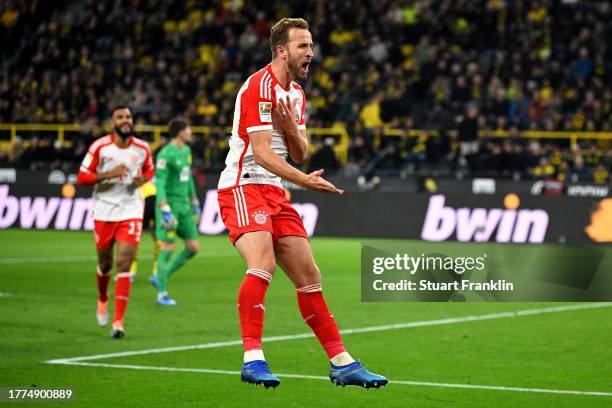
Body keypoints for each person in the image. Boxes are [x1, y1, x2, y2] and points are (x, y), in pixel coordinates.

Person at [217, 18, 387, 389]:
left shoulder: (296, 94)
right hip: (243, 186)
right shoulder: (258, 87)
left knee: (309, 275)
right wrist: (305, 180)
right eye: (303, 46)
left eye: (311, 46)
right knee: (262, 264)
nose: (311, 53)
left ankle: (341, 363)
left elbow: (300, 151)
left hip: (276, 191)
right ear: (281, 50)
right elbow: (260, 154)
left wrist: (291, 128)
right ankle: (253, 359)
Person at [77, 106, 155, 338]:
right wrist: (110, 174)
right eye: (120, 117)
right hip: (104, 210)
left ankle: (118, 322)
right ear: (112, 122)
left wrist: (143, 179)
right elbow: (82, 177)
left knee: (124, 262)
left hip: (130, 208)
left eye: (128, 117)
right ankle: (103, 297)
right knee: (105, 263)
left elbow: (149, 170)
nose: (125, 120)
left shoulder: (142, 148)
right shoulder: (100, 147)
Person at [152, 117, 201, 306]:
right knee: (167, 247)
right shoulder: (165, 154)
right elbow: (160, 181)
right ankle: (162, 293)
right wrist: (163, 206)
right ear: (180, 131)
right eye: (188, 129)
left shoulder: (187, 151)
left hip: (184, 207)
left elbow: (187, 177)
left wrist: (194, 198)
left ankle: (160, 276)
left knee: (193, 248)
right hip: (169, 206)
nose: (190, 132)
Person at [129, 180, 161, 283]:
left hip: (143, 198)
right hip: (153, 196)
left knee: (135, 237)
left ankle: (132, 272)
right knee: (157, 237)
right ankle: (156, 273)